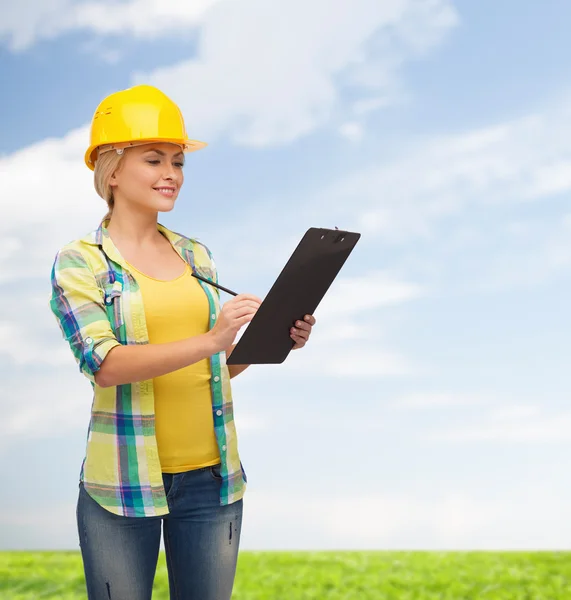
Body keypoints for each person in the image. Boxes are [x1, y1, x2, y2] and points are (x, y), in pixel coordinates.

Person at [49, 84, 316, 600]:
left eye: (178, 161)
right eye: (154, 160)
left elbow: (214, 368)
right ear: (112, 168)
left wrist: (271, 342)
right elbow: (105, 364)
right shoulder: (81, 261)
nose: (171, 173)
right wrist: (212, 339)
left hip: (213, 482)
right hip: (123, 486)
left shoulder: (196, 257)